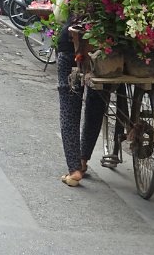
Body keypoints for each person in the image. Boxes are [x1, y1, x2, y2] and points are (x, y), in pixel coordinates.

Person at [56, 22, 107, 187]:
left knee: (69, 107)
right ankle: (83, 160)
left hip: (71, 47)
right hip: (105, 51)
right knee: (97, 104)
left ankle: (74, 169)